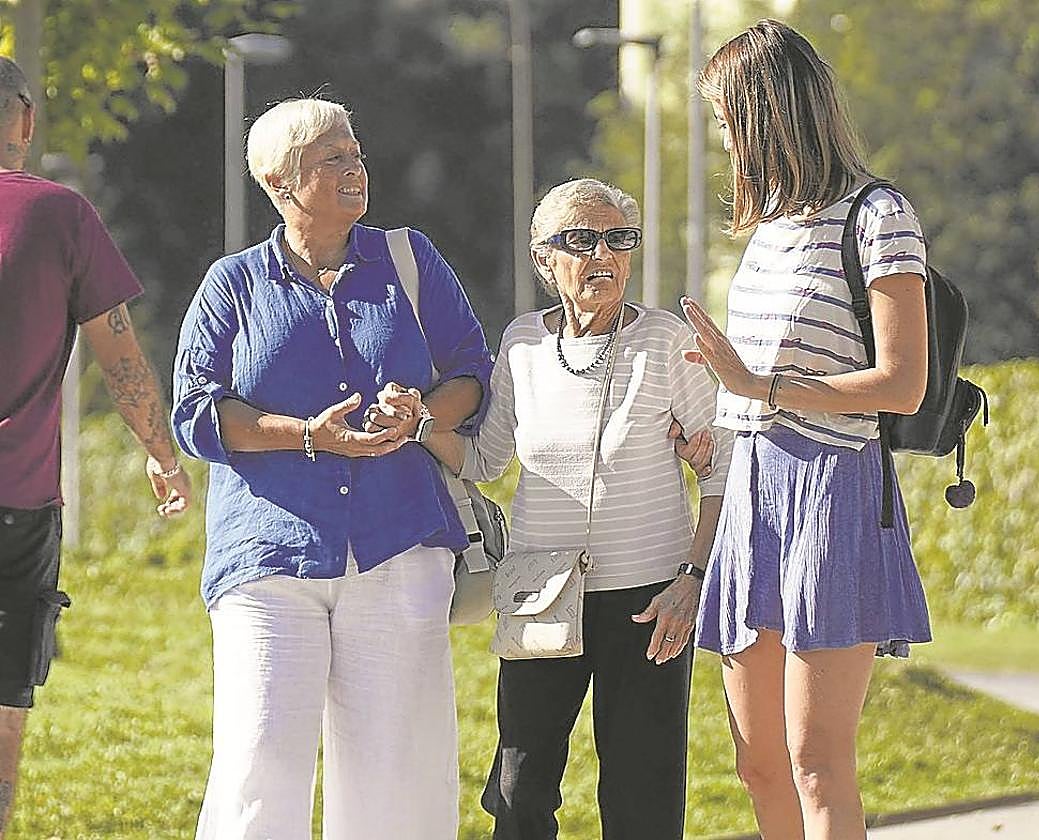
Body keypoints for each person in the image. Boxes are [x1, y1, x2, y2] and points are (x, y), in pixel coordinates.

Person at [170, 98, 493, 840]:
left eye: (357, 154)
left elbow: (472, 373)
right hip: (268, 555)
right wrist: (305, 436)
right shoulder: (233, 284)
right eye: (333, 160)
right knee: (260, 764)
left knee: (398, 775)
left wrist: (422, 415)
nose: (356, 170)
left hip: (399, 546)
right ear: (281, 182)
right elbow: (194, 411)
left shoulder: (409, 260)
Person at [372, 178, 730, 840]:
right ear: (545, 259)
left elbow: (724, 469)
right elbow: (485, 461)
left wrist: (693, 578)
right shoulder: (523, 344)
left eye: (618, 239)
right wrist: (420, 424)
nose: (604, 255)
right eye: (582, 240)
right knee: (518, 786)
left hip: (649, 598)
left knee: (642, 795)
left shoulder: (664, 340)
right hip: (540, 590)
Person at [680, 21, 934, 840]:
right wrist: (719, 435)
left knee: (816, 757)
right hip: (753, 487)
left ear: (763, 116)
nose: (721, 140)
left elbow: (903, 382)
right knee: (757, 762)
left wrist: (766, 388)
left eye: (725, 120)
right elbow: (743, 390)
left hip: (833, 486)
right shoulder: (768, 231)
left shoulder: (879, 215)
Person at [0, 56, 192, 837]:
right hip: (18, 507)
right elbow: (119, 358)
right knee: (5, 705)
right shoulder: (60, 215)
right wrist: (161, 452)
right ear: (24, 120)